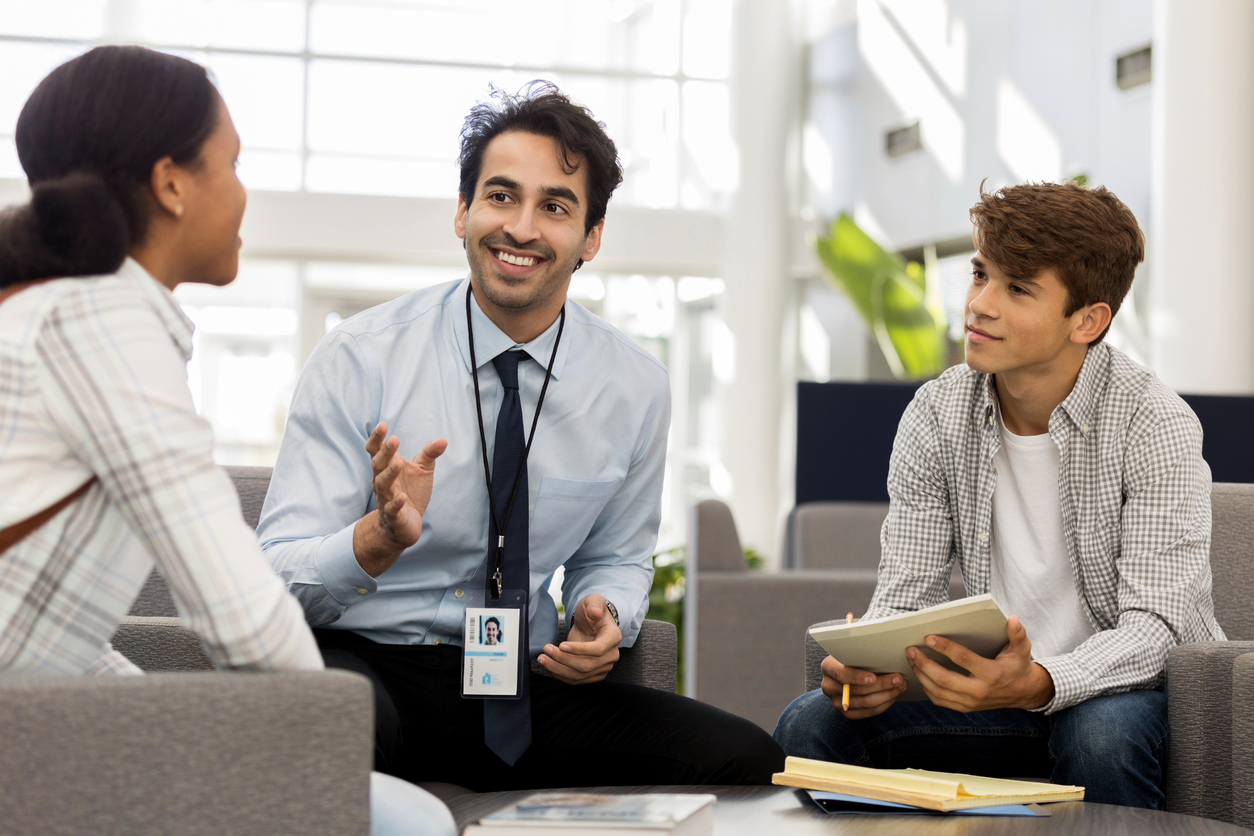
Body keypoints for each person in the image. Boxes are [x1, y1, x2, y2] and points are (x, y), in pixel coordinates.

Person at [258, 81, 784, 790]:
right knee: (331, 729)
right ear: (462, 212)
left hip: (519, 681)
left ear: (591, 237)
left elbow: (619, 557)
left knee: (745, 760)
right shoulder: (361, 356)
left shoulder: (634, 387)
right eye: (501, 197)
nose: (522, 228)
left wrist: (606, 612)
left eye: (555, 207)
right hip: (365, 657)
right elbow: (272, 578)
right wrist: (372, 541)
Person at [0, 45, 455, 836]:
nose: (245, 193)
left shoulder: (55, 308)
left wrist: (166, 723)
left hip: (33, 735)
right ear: (172, 182)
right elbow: (240, 614)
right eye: (234, 163)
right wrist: (318, 748)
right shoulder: (101, 323)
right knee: (408, 822)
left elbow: (45, 631)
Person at [773, 182, 1224, 810]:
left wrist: (1039, 681)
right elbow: (907, 595)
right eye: (980, 274)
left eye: (1017, 288)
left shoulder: (1154, 423)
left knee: (1099, 737)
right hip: (993, 701)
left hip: (1125, 696)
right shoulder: (936, 413)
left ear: (1087, 320)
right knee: (810, 726)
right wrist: (873, 670)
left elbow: (1158, 629)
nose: (979, 305)